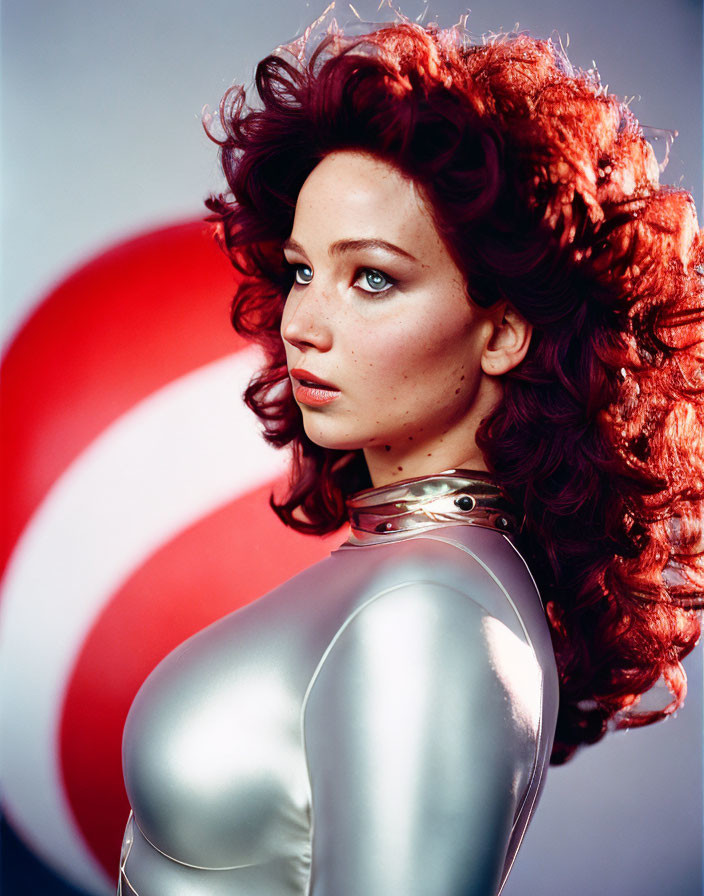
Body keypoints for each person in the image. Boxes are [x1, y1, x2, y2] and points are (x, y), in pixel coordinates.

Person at [117, 14, 704, 896]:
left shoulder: (432, 613)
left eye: (373, 278)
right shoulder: (418, 576)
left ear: (502, 330)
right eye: (303, 270)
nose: (302, 324)